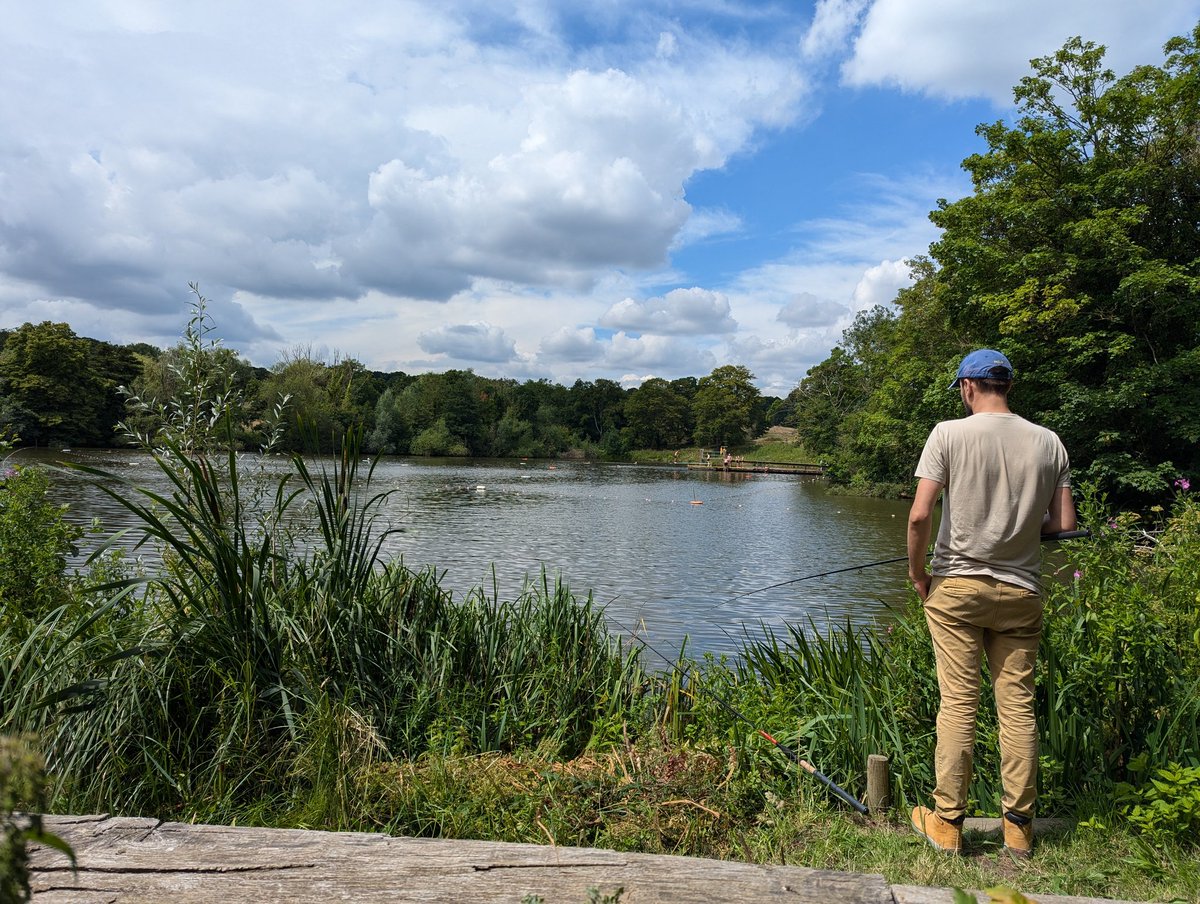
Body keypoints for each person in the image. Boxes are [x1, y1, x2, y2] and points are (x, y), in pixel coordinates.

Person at [907, 348, 1076, 859]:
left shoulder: (948, 434)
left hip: (956, 588)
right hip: (1022, 591)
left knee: (958, 704)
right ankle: (1019, 828)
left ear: (967, 387)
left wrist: (919, 575)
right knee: (1017, 709)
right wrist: (1021, 523)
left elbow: (919, 516)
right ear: (1007, 386)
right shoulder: (1049, 443)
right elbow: (1063, 526)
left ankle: (947, 822)